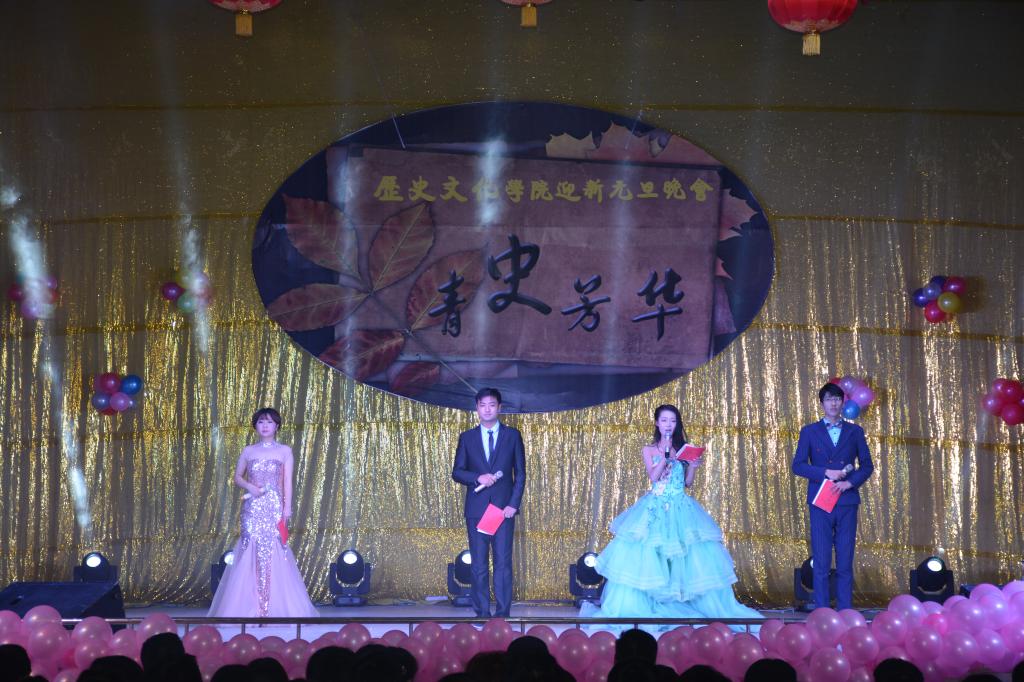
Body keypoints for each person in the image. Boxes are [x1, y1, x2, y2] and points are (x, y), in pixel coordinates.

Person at [580, 404, 762, 628]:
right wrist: (665, 456)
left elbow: (687, 483)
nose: (668, 425)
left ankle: (686, 603)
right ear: (657, 423)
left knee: (684, 557)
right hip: (655, 508)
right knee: (650, 555)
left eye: (673, 421)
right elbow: (654, 477)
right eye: (664, 420)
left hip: (680, 507)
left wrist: (693, 466)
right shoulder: (649, 449)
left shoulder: (682, 449)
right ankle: (647, 605)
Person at [207, 408, 318, 617]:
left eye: (269, 422)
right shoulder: (248, 451)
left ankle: (272, 608)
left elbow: (287, 482)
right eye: (260, 422)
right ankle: (250, 608)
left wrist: (287, 508)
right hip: (252, 507)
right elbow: (237, 477)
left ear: (277, 426)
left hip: (274, 507)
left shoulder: (284, 451)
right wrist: (249, 486)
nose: (265, 426)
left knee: (273, 551)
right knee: (250, 549)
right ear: (255, 426)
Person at [791, 383, 874, 610]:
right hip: (821, 500)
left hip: (847, 501)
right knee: (821, 561)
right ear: (822, 403)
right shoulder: (809, 431)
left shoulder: (855, 432)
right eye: (829, 399)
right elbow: (798, 466)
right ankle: (822, 612)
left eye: (837, 399)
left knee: (845, 560)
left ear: (843, 403)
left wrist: (849, 483)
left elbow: (867, 465)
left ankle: (845, 611)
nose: (833, 403)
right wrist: (825, 472)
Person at [451, 387, 526, 618]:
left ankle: (502, 614)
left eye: (492, 405)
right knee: (479, 565)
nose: (487, 409)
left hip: (503, 510)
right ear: (477, 408)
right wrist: (477, 477)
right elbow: (457, 472)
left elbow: (520, 473)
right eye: (482, 405)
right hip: (477, 510)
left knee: (503, 563)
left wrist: (513, 504)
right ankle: (482, 613)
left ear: (499, 408)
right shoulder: (467, 437)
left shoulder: (512, 436)